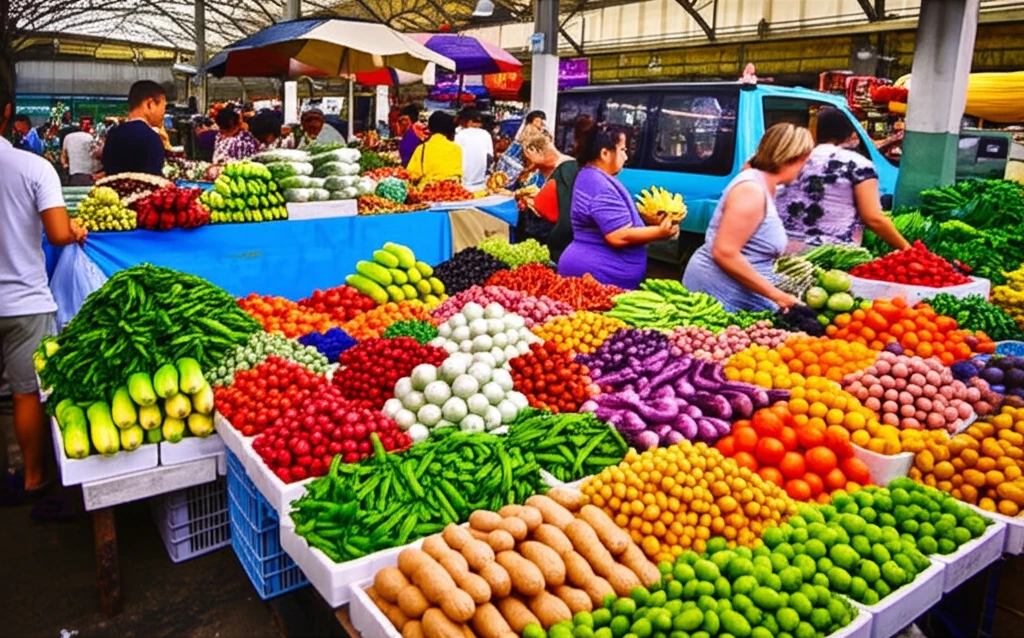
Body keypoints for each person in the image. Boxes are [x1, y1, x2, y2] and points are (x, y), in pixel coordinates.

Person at [0, 83, 87, 511]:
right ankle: (34, 479)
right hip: (24, 302)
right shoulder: (31, 167)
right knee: (26, 393)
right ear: (8, 112)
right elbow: (57, 232)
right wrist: (76, 229)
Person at [683, 123, 814, 312]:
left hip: (737, 291)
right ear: (798, 158)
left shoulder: (761, 180)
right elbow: (724, 252)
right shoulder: (751, 190)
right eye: (806, 162)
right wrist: (779, 296)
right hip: (719, 292)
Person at [558, 122, 677, 289]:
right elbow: (617, 235)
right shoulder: (598, 184)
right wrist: (661, 232)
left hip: (597, 273)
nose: (626, 157)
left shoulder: (592, 177)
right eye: (623, 150)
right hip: (596, 277)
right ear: (605, 153)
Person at [776, 107, 909, 253]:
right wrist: (906, 248)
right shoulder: (857, 165)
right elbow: (873, 218)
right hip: (830, 254)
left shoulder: (789, 159)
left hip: (781, 248)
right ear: (848, 134)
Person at [515, 126, 576, 247]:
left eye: (526, 158)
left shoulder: (567, 169)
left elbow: (565, 214)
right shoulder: (540, 169)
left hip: (556, 241)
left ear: (534, 150)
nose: (527, 164)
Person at [102, 80, 166, 176]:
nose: (163, 114)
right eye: (163, 107)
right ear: (150, 104)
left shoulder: (113, 134)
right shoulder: (151, 138)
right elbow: (154, 181)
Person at [406, 111, 462, 186]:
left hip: (428, 191)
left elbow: (412, 175)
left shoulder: (422, 149)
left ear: (430, 128)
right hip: (452, 190)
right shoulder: (456, 149)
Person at [494, 110, 547, 187]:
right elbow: (529, 153)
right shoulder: (531, 133)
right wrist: (527, 169)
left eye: (541, 121)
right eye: (537, 121)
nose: (540, 124)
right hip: (513, 167)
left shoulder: (528, 131)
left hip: (509, 165)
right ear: (530, 122)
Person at [454, 109, 494, 193]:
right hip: (482, 184)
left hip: (463, 185)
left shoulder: (460, 135)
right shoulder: (486, 134)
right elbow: (490, 159)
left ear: (469, 122)